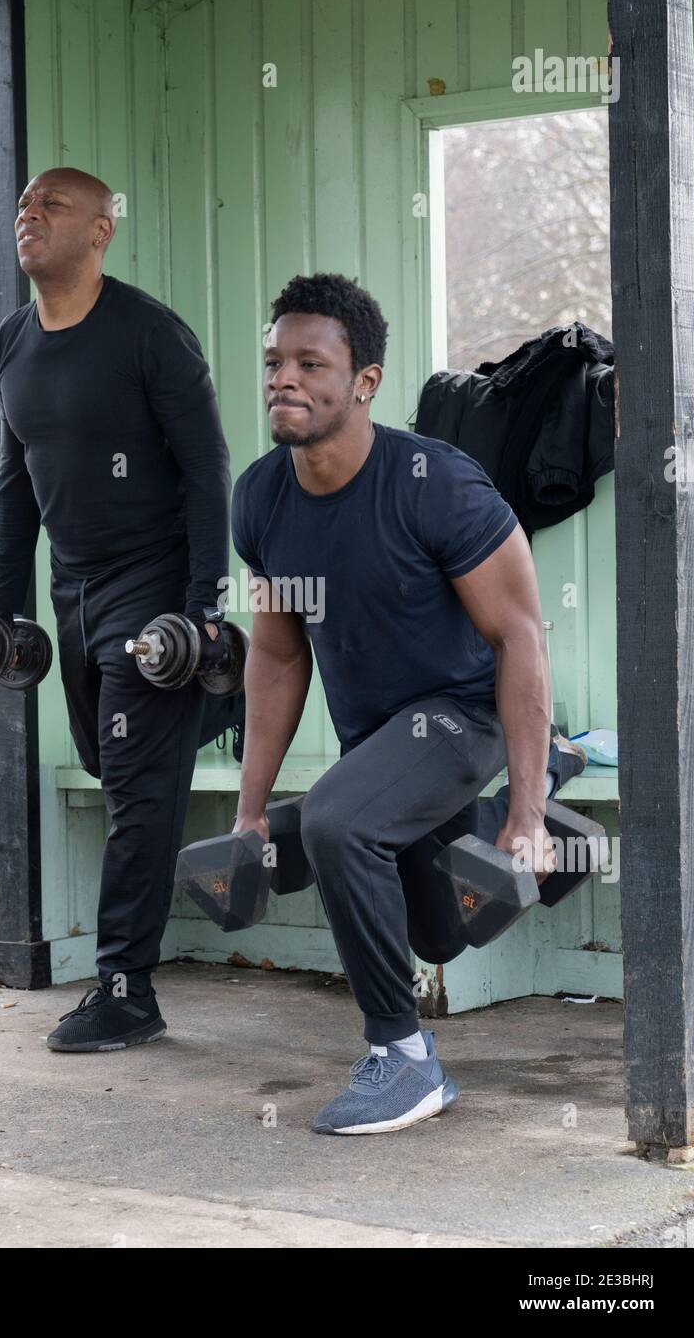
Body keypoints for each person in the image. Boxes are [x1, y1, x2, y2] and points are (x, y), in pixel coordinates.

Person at [230, 272, 572, 1136]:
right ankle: (539, 836)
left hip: (467, 712)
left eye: (311, 363)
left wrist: (523, 814)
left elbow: (522, 640)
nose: (285, 379)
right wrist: (249, 812)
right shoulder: (262, 497)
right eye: (275, 362)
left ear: (366, 382)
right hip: (384, 740)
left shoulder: (436, 484)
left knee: (341, 823)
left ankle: (404, 1059)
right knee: (443, 930)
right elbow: (275, 661)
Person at [0, 166, 244, 1052]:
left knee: (136, 789)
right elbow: (15, 482)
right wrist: (1, 611)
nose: (29, 214)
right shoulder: (12, 342)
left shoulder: (149, 335)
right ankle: (223, 694)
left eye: (50, 204)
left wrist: (202, 611)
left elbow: (209, 470)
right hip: (74, 590)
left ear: (100, 231)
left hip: (153, 580)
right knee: (110, 762)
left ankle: (126, 988)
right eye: (23, 203)